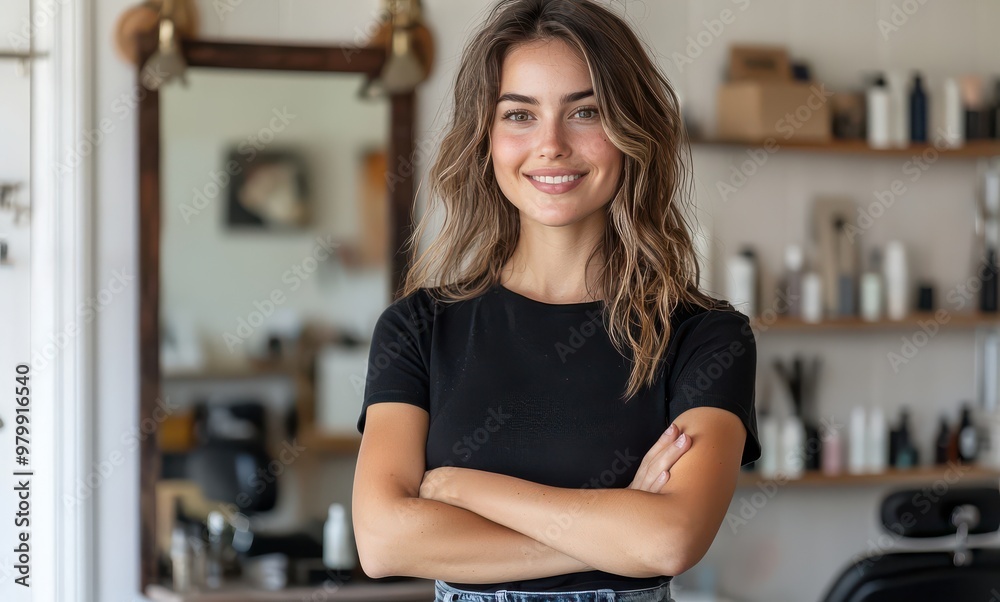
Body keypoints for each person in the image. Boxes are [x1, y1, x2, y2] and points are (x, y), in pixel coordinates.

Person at [352, 1, 761, 600]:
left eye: (585, 112)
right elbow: (383, 542)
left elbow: (670, 541)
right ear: (485, 139)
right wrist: (616, 532)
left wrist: (461, 488)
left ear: (631, 132)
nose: (551, 145)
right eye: (519, 114)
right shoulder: (416, 329)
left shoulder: (706, 336)